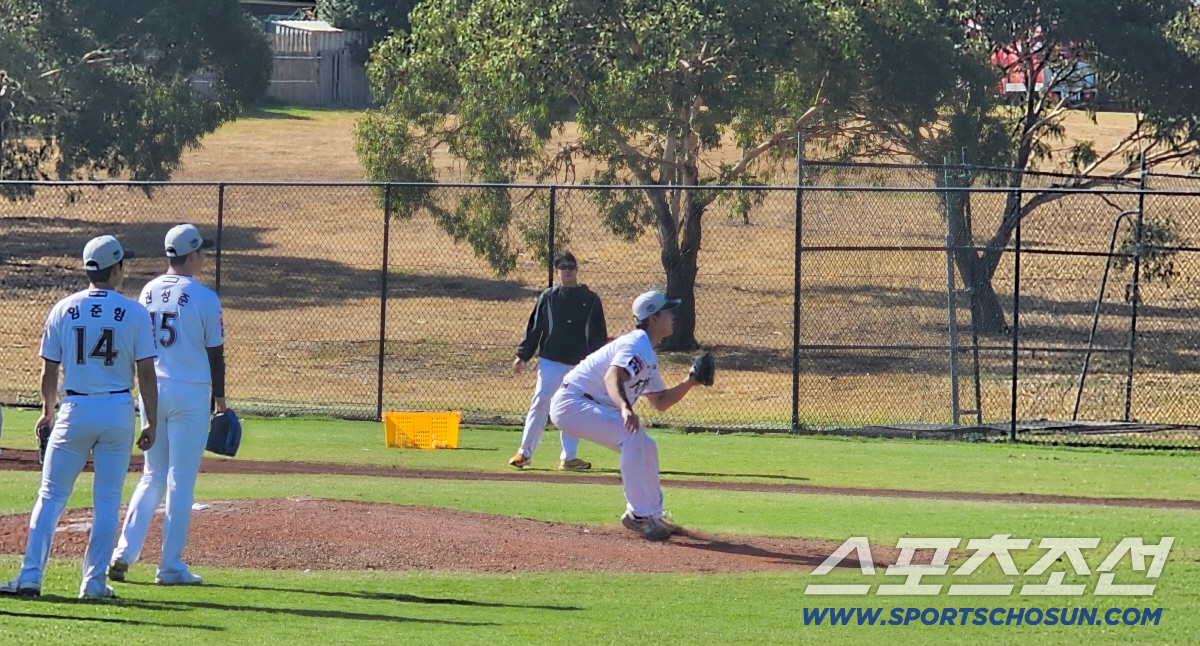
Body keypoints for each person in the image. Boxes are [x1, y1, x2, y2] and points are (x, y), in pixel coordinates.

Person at [0, 235, 158, 599]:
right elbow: (146, 372)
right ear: (116, 268)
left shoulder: (63, 308)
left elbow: (48, 369)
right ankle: (93, 582)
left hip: (74, 408)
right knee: (106, 499)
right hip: (118, 408)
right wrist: (151, 419)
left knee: (51, 496)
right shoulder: (134, 312)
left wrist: (46, 410)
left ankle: (30, 576)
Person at [109, 223, 225, 587]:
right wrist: (220, 401)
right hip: (190, 392)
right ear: (191, 255)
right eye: (201, 251)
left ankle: (123, 553)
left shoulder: (147, 291)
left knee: (153, 475)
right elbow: (216, 355)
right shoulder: (205, 297)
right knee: (180, 480)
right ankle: (170, 565)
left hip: (152, 389)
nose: (204, 256)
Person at [549, 290, 703, 541]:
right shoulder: (636, 344)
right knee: (630, 436)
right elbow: (613, 376)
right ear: (653, 318)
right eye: (667, 311)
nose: (673, 316)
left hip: (584, 403)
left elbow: (661, 402)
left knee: (647, 446)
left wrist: (689, 382)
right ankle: (638, 515)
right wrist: (625, 408)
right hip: (573, 403)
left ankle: (654, 513)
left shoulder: (648, 355)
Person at [510, 252, 607, 471]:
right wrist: (523, 355)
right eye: (563, 267)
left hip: (580, 364)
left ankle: (569, 458)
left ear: (577, 269)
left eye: (571, 266)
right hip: (551, 361)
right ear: (557, 271)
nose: (568, 270)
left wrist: (600, 363)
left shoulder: (590, 299)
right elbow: (535, 328)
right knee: (540, 402)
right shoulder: (548, 297)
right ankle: (524, 453)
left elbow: (599, 334)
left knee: (571, 409)